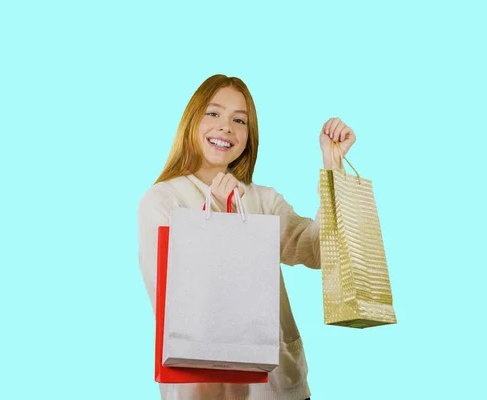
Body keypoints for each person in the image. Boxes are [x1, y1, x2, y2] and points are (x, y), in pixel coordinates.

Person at [137, 74, 356, 400]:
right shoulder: (162, 200)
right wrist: (217, 220)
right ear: (191, 121)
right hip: (204, 389)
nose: (226, 127)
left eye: (239, 120)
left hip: (280, 388)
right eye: (213, 113)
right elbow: (172, 296)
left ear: (249, 137)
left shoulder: (262, 199)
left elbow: (317, 250)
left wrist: (333, 165)